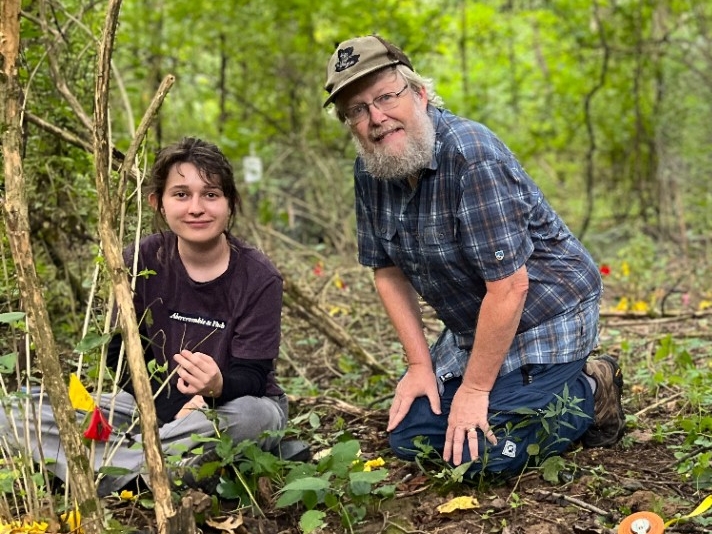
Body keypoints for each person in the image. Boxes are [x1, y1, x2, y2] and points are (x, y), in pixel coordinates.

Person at [322, 35, 626, 478]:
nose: (376, 118)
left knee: (478, 458)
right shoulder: (370, 170)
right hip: (478, 324)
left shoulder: (471, 156)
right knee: (410, 435)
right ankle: (512, 392)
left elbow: (510, 286)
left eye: (386, 97)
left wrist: (475, 389)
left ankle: (589, 386)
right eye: (357, 109)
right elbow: (386, 271)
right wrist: (418, 365)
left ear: (420, 94)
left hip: (547, 314)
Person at [0, 137, 304, 496]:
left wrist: (216, 388)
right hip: (150, 404)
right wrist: (161, 408)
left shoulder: (258, 276)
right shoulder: (140, 260)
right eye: (180, 194)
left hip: (227, 408)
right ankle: (164, 469)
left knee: (256, 420)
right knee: (18, 409)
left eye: (210, 194)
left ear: (230, 203)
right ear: (156, 203)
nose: (196, 208)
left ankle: (108, 464)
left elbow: (253, 375)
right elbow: (119, 351)